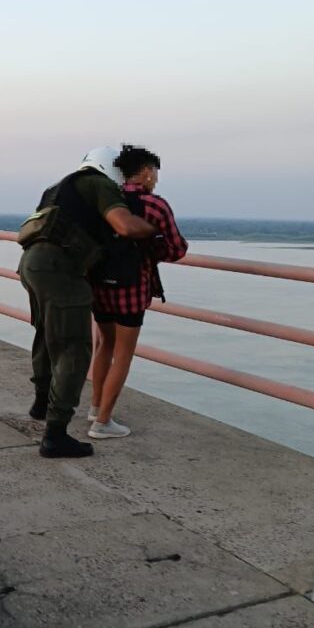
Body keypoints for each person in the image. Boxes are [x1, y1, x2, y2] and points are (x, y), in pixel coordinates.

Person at [18, 147, 157, 458]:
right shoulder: (100, 184)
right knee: (74, 348)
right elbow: (125, 225)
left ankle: (42, 403)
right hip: (60, 269)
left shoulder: (57, 187)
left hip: (31, 263)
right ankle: (56, 435)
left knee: (45, 333)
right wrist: (155, 230)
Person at [89, 144, 188, 439]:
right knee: (124, 354)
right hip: (131, 288)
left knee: (104, 344)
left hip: (99, 284)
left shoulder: (107, 200)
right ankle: (102, 423)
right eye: (154, 172)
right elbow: (177, 249)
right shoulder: (155, 205)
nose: (155, 179)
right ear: (145, 172)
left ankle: (95, 407)